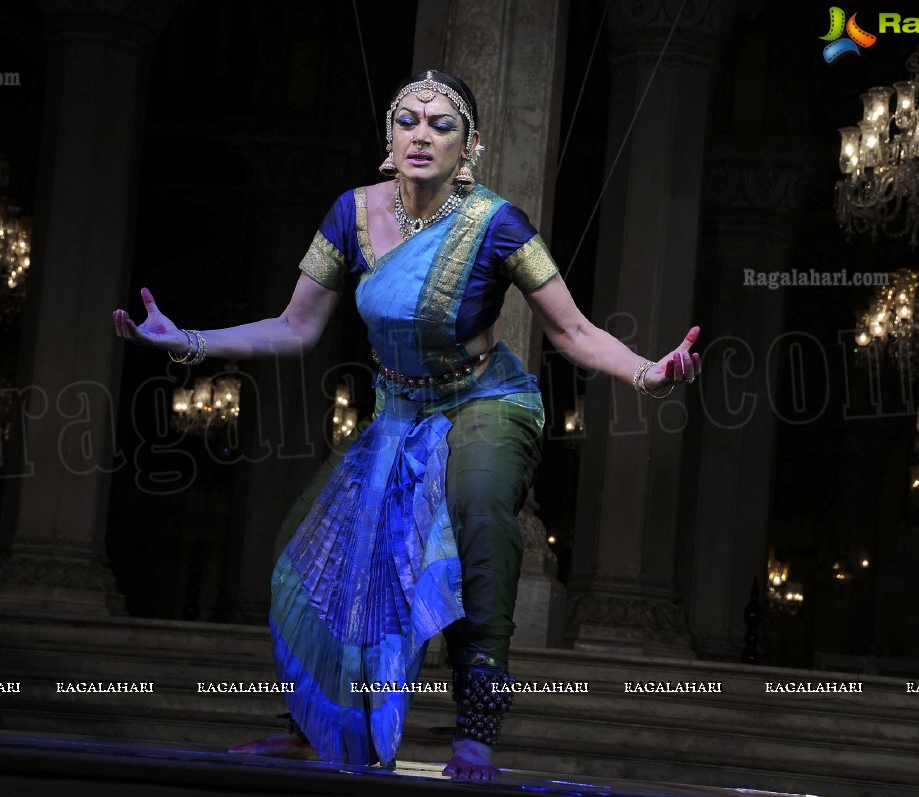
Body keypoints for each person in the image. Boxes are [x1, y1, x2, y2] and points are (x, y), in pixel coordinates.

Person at [113, 69, 701, 781]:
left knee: (478, 520)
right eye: (408, 121)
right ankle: (313, 727)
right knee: (312, 555)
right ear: (389, 141)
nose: (422, 134)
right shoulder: (350, 214)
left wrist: (646, 371)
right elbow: (295, 326)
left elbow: (571, 331)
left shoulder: (496, 223)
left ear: (469, 144)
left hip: (486, 400)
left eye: (441, 124)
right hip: (398, 410)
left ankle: (476, 731)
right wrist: (188, 341)